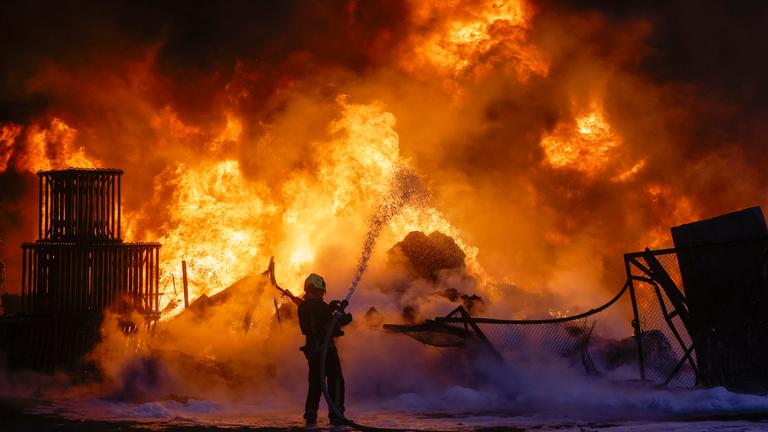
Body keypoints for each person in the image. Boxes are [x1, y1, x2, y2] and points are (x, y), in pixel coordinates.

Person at [298, 273, 352, 425]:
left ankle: (310, 415)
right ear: (311, 291)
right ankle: (337, 415)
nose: (321, 295)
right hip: (326, 351)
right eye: (319, 292)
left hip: (313, 352)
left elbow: (316, 322)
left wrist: (331, 310)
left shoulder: (303, 307)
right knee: (336, 381)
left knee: (315, 383)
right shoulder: (319, 306)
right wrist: (342, 320)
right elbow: (328, 327)